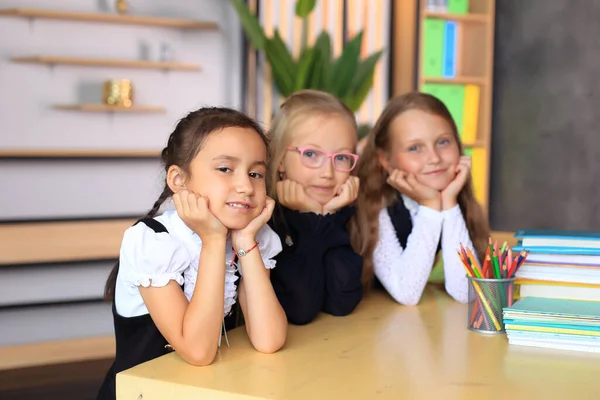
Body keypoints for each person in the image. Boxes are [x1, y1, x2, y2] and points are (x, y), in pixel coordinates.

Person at [97, 107, 287, 400]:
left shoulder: (252, 237)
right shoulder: (152, 241)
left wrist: (247, 241)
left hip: (210, 389)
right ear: (179, 180)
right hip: (144, 393)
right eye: (225, 169)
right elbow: (198, 351)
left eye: (256, 173)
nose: (246, 186)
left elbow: (269, 339)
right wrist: (213, 241)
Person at [350, 92, 489, 306]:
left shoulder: (453, 198)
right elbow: (407, 293)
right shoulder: (375, 206)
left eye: (443, 142)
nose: (434, 158)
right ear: (386, 161)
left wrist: (449, 204)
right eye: (414, 148)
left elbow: (467, 292)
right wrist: (431, 206)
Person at [267, 90, 363, 325]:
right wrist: (314, 224)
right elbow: (299, 310)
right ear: (280, 161)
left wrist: (324, 216)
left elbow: (342, 303)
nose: (327, 173)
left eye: (341, 158)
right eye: (311, 154)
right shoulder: (266, 223)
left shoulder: (341, 213)